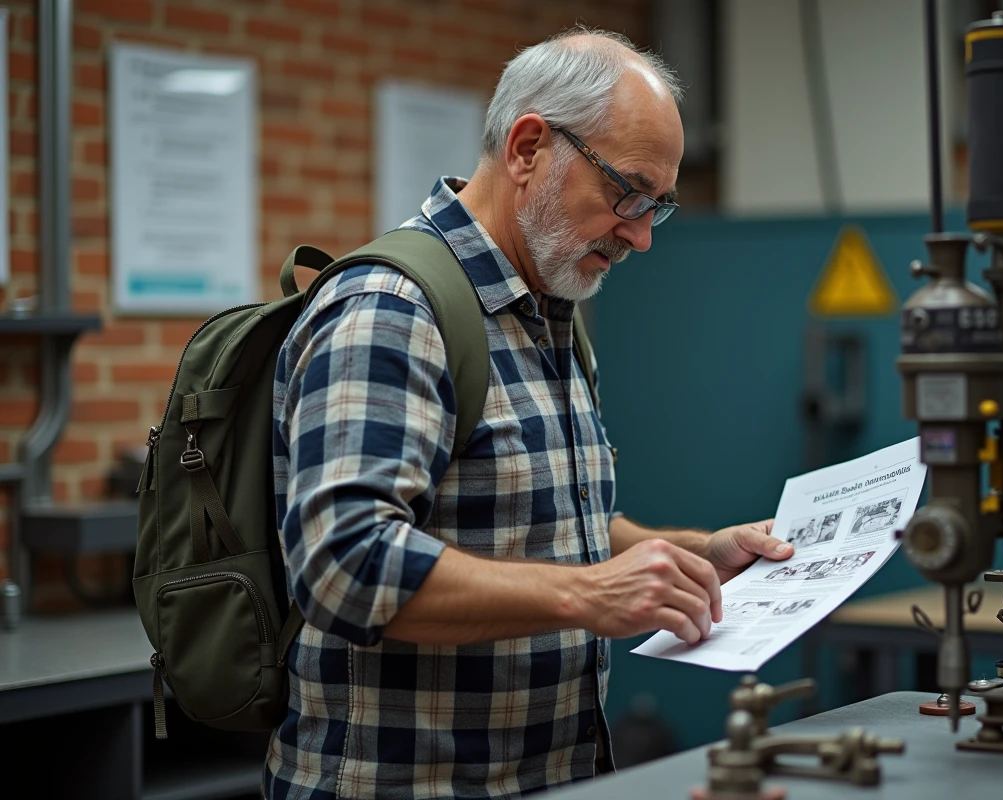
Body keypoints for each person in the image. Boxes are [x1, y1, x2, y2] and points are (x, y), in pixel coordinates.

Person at [265, 27, 795, 800]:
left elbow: (544, 521)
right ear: (527, 149)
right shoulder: (392, 310)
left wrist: (690, 555)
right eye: (628, 194)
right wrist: (590, 596)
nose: (642, 236)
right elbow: (345, 563)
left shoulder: (547, 312)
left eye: (659, 208)